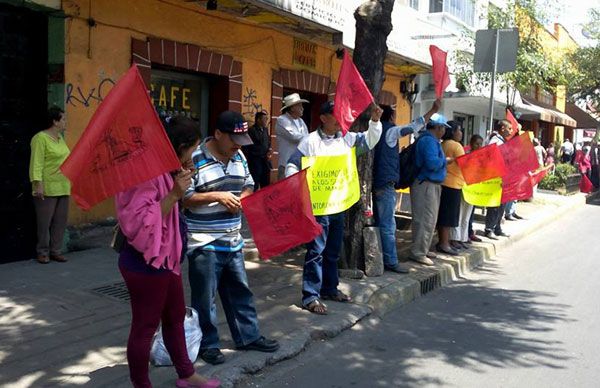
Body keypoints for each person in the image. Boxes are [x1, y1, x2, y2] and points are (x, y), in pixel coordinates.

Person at [115, 117, 219, 388]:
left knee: (174, 317)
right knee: (144, 328)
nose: (195, 154)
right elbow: (140, 223)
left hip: (166, 258)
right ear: (181, 146)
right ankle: (141, 384)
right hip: (144, 263)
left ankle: (186, 373)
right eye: (193, 148)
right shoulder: (144, 173)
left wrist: (179, 181)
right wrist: (174, 194)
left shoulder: (165, 168)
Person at [184, 111, 279, 366]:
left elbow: (248, 183)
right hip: (204, 240)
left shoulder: (239, 155)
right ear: (218, 134)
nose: (238, 145)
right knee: (205, 297)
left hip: (233, 238)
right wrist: (218, 196)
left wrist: (244, 197)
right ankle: (208, 344)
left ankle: (248, 336)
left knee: (241, 292)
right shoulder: (194, 157)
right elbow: (184, 197)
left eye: (241, 140)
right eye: (234, 139)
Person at [286, 101, 383, 314]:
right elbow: (293, 164)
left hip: (339, 205)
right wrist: (296, 186)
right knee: (316, 251)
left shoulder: (347, 139)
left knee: (332, 251)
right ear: (323, 118)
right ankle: (310, 296)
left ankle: (330, 288)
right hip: (319, 207)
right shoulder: (309, 142)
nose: (342, 120)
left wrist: (375, 121)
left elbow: (369, 140)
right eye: (336, 115)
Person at [372, 99, 441, 273]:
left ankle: (381, 258)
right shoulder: (389, 131)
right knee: (388, 225)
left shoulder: (373, 132)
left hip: (375, 181)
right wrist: (432, 110)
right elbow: (413, 126)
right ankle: (391, 261)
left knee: (381, 223)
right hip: (385, 182)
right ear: (392, 116)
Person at [29, 106, 71, 264]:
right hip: (47, 187)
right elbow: (36, 163)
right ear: (55, 121)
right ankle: (43, 251)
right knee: (44, 222)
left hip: (63, 185)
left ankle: (56, 250)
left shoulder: (60, 139)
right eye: (63, 119)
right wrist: (37, 184)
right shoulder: (40, 138)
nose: (66, 122)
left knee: (60, 221)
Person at [407, 113, 450, 266]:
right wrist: (445, 161)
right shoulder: (429, 142)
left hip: (429, 184)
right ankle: (418, 252)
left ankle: (422, 249)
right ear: (438, 127)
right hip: (426, 184)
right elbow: (432, 163)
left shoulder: (430, 140)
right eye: (443, 127)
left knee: (429, 219)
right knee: (425, 219)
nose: (444, 130)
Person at [437, 121, 468, 253]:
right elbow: (465, 164)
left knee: (443, 214)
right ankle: (445, 243)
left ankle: (443, 241)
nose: (461, 133)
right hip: (453, 183)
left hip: (443, 182)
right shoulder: (456, 146)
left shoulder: (442, 144)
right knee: (448, 216)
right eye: (459, 130)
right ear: (453, 132)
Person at [484, 120, 512, 239]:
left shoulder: (502, 141)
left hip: (503, 176)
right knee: (495, 204)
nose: (511, 131)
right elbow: (491, 157)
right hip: (496, 176)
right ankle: (489, 228)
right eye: (509, 128)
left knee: (502, 204)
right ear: (502, 129)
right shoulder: (495, 141)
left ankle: (497, 227)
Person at [275, 93, 309, 179]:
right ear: (292, 107)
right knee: (285, 190)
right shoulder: (282, 120)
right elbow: (294, 136)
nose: (302, 108)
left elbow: (306, 138)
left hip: (300, 164)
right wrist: (312, 138)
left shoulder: (301, 121)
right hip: (286, 164)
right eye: (299, 106)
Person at [242, 110, 272, 190]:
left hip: (265, 160)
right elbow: (246, 146)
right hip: (255, 160)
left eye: (267, 119)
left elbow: (268, 142)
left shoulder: (265, 130)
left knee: (265, 182)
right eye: (264, 119)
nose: (266, 121)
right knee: (255, 181)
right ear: (258, 120)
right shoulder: (251, 130)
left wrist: (269, 150)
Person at [467, 135, 484, 242]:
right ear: (471, 144)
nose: (478, 146)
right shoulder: (467, 156)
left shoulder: (482, 157)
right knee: (466, 213)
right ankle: (465, 234)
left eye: (480, 144)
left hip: (476, 187)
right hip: (468, 187)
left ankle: (470, 232)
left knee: (471, 211)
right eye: (476, 144)